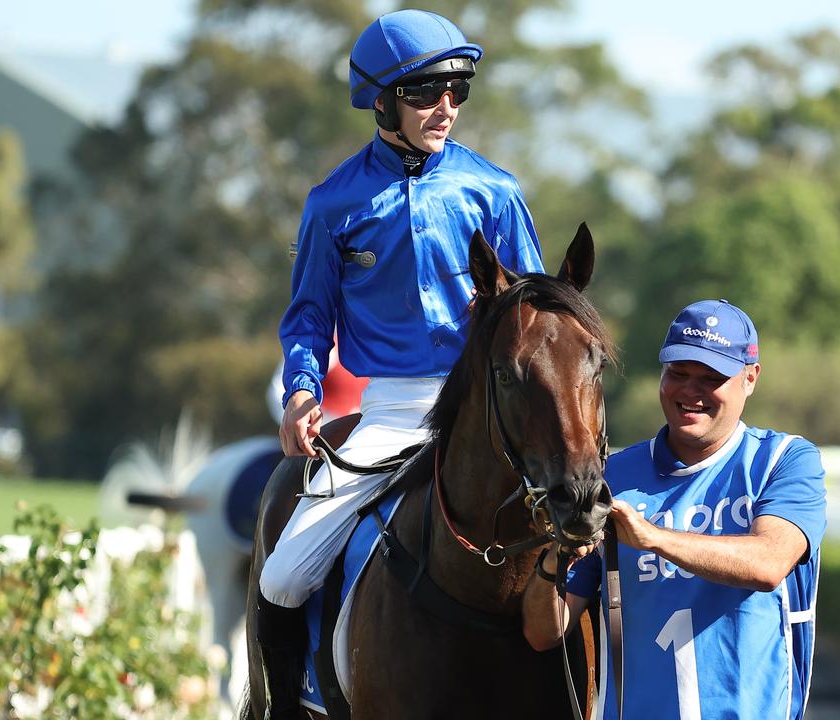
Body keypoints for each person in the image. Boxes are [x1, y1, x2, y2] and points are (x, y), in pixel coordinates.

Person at [254, 8, 545, 715]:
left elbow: (536, 319)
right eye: (424, 92)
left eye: (457, 90)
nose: (444, 107)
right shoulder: (332, 203)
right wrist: (300, 391)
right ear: (379, 100)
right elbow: (308, 317)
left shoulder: (496, 191)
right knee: (283, 578)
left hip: (489, 408)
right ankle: (294, 704)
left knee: (582, 549)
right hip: (391, 411)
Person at [523, 299, 828, 720]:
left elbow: (769, 563)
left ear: (750, 377)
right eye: (678, 373)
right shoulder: (612, 475)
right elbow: (544, 632)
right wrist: (557, 555)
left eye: (711, 378)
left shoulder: (785, 461)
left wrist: (653, 538)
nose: (690, 391)